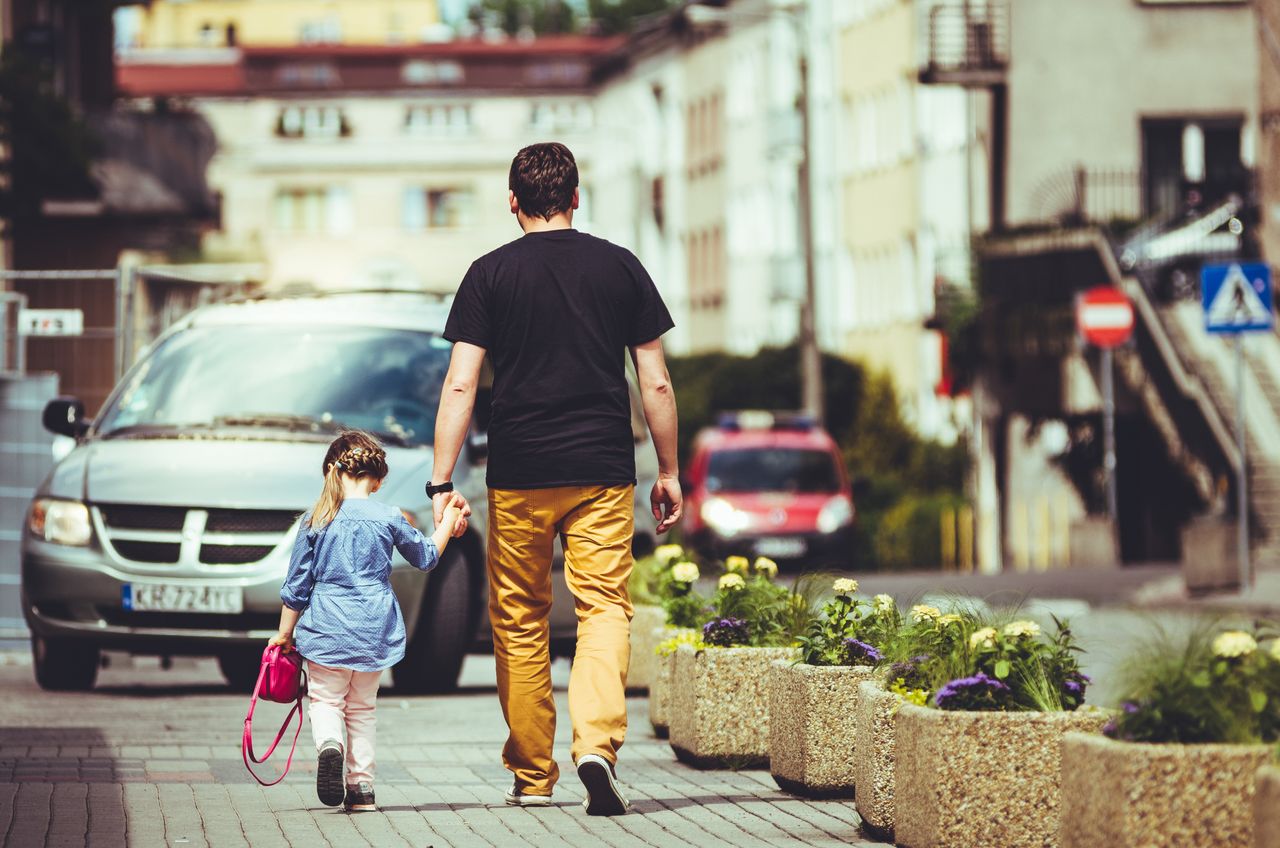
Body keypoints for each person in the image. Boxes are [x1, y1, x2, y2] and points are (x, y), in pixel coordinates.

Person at [428, 142, 682, 816]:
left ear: (513, 202)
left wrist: (439, 480)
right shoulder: (621, 267)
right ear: (576, 197)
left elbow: (460, 385)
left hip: (519, 472)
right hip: (602, 469)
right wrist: (672, 471)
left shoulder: (488, 274)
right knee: (602, 607)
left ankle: (534, 774)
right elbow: (653, 379)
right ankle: (596, 743)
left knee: (519, 617)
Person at [269, 430, 463, 812]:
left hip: (326, 627)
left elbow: (296, 587)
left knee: (326, 700)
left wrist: (284, 633)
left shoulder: (316, 519)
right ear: (377, 480)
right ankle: (362, 789)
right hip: (373, 628)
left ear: (331, 471)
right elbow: (425, 557)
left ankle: (329, 744)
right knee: (362, 708)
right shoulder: (389, 516)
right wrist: (449, 521)